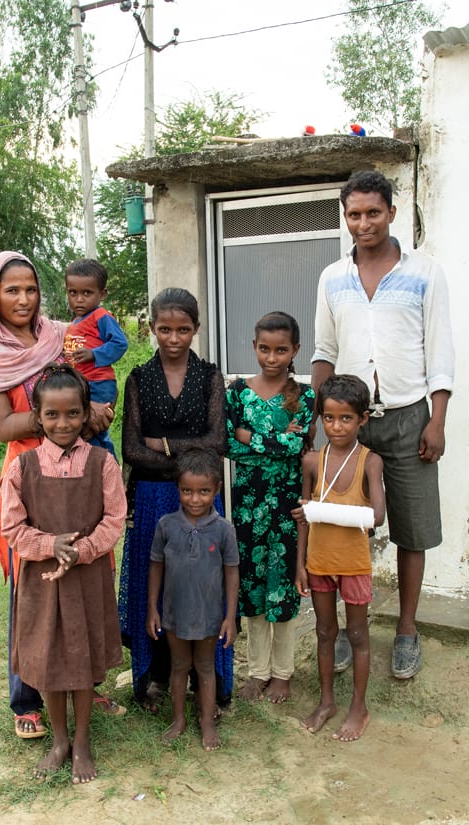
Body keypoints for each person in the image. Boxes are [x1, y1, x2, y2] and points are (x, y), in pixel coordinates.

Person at [0, 251, 119, 740]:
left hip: (80, 472)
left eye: (30, 288)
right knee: (31, 586)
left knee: (86, 579)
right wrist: (62, 417)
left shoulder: (58, 335)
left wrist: (93, 411)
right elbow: (3, 425)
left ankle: (84, 681)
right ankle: (26, 698)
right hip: (29, 475)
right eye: (11, 290)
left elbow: (89, 379)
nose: (23, 299)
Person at [311, 170, 454, 679]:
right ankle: (354, 631)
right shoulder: (333, 278)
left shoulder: (424, 272)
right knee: (343, 527)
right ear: (345, 218)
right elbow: (324, 354)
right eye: (354, 214)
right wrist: (319, 421)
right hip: (349, 423)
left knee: (411, 530)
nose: (364, 222)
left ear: (392, 212)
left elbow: (439, 351)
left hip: (409, 418)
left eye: (374, 212)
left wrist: (436, 421)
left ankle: (408, 629)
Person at [0, 363, 126, 783]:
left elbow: (114, 519)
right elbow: (12, 527)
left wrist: (83, 550)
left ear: (86, 411)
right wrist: (50, 546)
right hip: (41, 580)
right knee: (49, 658)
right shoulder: (23, 467)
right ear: (37, 416)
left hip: (87, 577)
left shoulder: (103, 463)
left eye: (73, 413)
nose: (63, 422)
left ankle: (83, 742)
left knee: (83, 658)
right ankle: (59, 740)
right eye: (51, 414)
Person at [119, 287, 228, 711]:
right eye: (164, 329)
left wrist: (162, 446)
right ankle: (154, 677)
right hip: (150, 497)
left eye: (183, 329)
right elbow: (131, 450)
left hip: (199, 501)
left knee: (201, 583)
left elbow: (217, 442)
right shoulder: (138, 379)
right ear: (151, 328)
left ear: (196, 329)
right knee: (154, 582)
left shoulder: (210, 377)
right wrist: (189, 455)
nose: (174, 338)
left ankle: (211, 681)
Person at [227, 311, 315, 704]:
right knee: (252, 588)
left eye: (281, 350)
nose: (272, 357)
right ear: (254, 347)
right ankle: (257, 671)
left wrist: (254, 438)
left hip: (285, 508)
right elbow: (230, 447)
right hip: (247, 507)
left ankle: (283, 673)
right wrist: (277, 438)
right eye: (265, 349)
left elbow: (299, 448)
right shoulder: (236, 393)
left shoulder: (306, 396)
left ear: (295, 350)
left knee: (283, 588)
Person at [295, 374, 385, 742]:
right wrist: (299, 563)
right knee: (324, 631)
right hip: (319, 561)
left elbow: (376, 516)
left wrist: (328, 513)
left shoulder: (370, 461)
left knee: (359, 633)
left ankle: (358, 708)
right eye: (329, 418)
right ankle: (326, 701)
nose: (336, 426)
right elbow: (304, 516)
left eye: (346, 418)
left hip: (353, 564)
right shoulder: (313, 462)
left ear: (362, 419)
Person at [146, 449, 239, 750]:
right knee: (178, 667)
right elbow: (156, 567)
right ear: (178, 490)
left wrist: (230, 617)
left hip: (210, 617)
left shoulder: (224, 530)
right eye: (187, 491)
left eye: (203, 492)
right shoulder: (166, 525)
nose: (195, 499)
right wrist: (152, 610)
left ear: (216, 490)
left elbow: (232, 574)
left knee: (205, 667)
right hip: (174, 614)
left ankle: (207, 722)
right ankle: (178, 719)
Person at [62, 259, 129, 455]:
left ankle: (107, 465)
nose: (79, 299)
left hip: (98, 383)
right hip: (83, 384)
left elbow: (120, 343)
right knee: (82, 432)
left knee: (95, 430)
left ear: (102, 294)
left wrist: (94, 354)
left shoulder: (101, 316)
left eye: (87, 293)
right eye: (73, 293)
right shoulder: (75, 322)